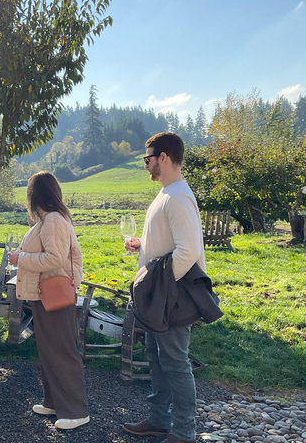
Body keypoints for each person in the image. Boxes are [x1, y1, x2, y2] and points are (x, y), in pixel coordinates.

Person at [122, 133, 206, 443]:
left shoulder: (179, 197)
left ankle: (184, 432)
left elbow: (188, 251)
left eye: (148, 159)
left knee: (175, 362)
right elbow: (170, 244)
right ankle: (159, 420)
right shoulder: (167, 194)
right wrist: (143, 244)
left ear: (165, 158)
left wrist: (158, 286)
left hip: (173, 298)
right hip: (163, 296)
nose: (146, 165)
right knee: (157, 358)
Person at [7, 171, 89, 431]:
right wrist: (23, 254)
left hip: (53, 295)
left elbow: (54, 258)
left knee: (62, 351)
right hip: (44, 295)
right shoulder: (48, 219)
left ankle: (76, 410)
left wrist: (20, 259)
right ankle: (54, 402)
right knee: (50, 350)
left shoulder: (53, 220)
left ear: (33, 194)